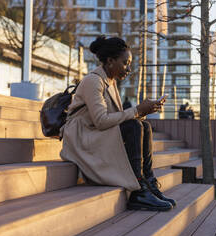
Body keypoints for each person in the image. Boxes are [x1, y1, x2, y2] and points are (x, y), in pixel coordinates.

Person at [60, 36, 175, 211]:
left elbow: (117, 118)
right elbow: (101, 121)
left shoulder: (110, 82)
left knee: (143, 126)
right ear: (110, 61)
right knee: (134, 126)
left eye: (129, 64)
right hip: (81, 137)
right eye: (125, 63)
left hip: (94, 133)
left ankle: (148, 183)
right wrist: (137, 110)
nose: (128, 68)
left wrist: (144, 112)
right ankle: (138, 191)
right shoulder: (93, 81)